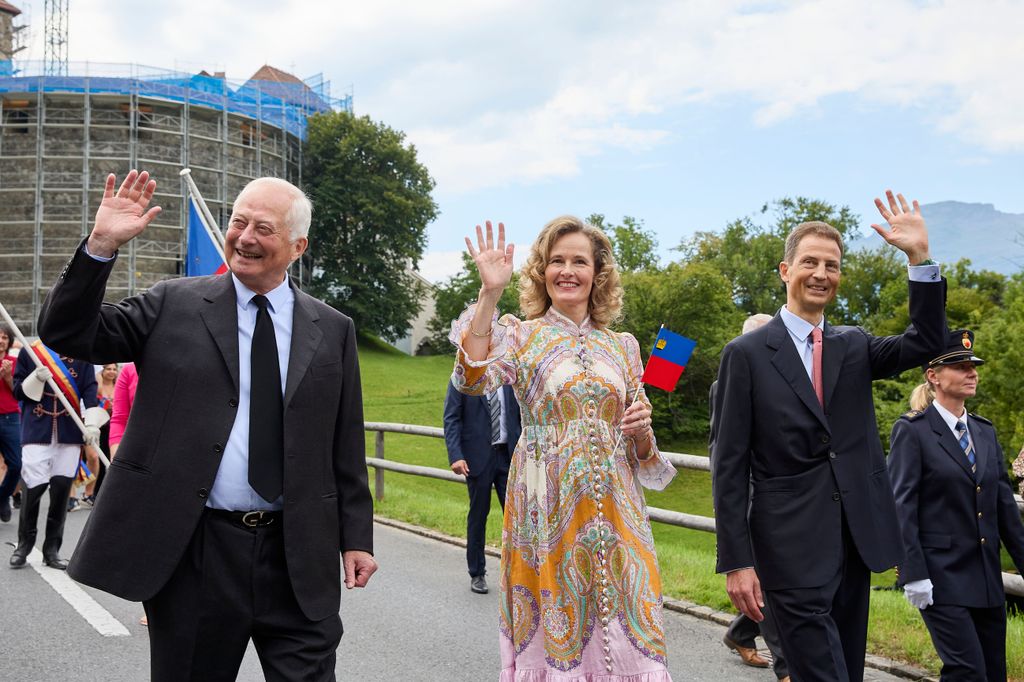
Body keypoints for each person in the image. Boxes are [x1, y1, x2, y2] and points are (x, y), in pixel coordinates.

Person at [37, 169, 376, 681]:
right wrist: (101, 243)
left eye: (264, 228)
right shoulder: (172, 304)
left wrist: (357, 536)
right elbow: (66, 330)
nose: (245, 237)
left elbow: (343, 441)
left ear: (297, 245)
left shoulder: (332, 330)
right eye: (239, 221)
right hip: (197, 551)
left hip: (296, 555)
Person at [711, 191, 949, 682]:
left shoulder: (854, 345)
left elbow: (927, 342)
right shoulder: (747, 354)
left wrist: (919, 260)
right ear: (785, 270)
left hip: (854, 542)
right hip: (786, 548)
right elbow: (728, 464)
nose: (821, 274)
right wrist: (737, 560)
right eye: (810, 262)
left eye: (832, 266)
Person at [451, 217, 677, 680]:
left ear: (599, 274)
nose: (567, 270)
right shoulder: (520, 334)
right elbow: (470, 378)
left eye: (579, 261)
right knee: (563, 625)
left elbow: (646, 457)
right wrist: (489, 293)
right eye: (557, 261)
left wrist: (640, 431)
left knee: (626, 615)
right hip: (546, 510)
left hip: (619, 514)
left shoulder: (626, 347)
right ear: (542, 271)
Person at [887, 330, 1024, 681]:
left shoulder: (984, 431)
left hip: (985, 578)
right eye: (961, 366)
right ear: (933, 376)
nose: (972, 372)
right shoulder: (913, 431)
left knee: (992, 673)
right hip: (940, 578)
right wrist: (912, 574)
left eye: (973, 366)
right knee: (967, 672)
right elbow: (902, 507)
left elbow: (1006, 510)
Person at [711, 314, 789, 681]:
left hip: (787, 495)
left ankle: (741, 632)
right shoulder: (728, 381)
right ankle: (788, 666)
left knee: (777, 577)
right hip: (752, 494)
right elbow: (724, 449)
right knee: (771, 584)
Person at [10, 345, 101, 569]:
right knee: (32, 487)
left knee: (61, 492)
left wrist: (92, 423)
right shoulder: (30, 352)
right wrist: (35, 379)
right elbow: (18, 392)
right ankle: (25, 544)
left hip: (69, 432)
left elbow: (90, 390)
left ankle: (52, 550)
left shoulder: (82, 354)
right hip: (37, 431)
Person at [443, 379, 522, 594]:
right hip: (477, 458)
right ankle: (477, 573)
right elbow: (451, 418)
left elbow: (522, 415)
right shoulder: (464, 378)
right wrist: (456, 456)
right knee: (478, 515)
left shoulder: (508, 378)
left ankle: (519, 574)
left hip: (509, 457)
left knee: (516, 518)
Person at [0, 324, 22, 523]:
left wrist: (7, 377)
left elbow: (19, 392)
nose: (1, 340)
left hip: (10, 418)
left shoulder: (15, 362)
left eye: (5, 337)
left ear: (9, 342)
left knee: (16, 465)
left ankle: (2, 497)